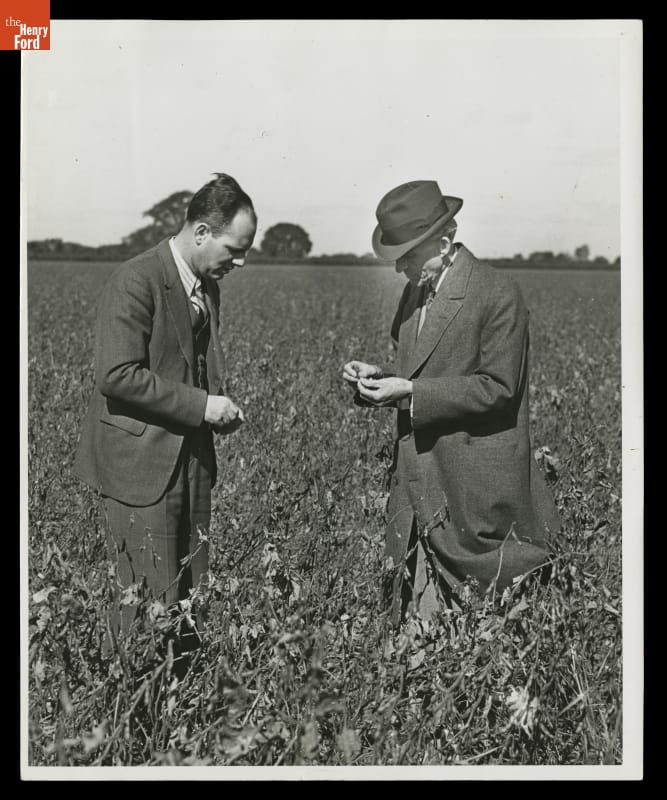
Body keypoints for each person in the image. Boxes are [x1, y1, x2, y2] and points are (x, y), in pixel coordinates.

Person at [343, 180, 560, 623]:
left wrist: (409, 391)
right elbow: (419, 371)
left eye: (407, 254)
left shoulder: (497, 294)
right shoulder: (415, 293)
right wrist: (377, 378)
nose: (398, 266)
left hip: (468, 490)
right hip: (416, 485)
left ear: (443, 242)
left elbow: (498, 388)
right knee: (414, 631)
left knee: (479, 630)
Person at [74, 172, 257, 648]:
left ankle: (179, 709)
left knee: (189, 598)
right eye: (234, 249)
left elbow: (189, 364)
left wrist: (217, 409)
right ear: (200, 233)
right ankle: (131, 714)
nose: (240, 261)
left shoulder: (204, 283)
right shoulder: (136, 279)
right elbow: (116, 374)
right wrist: (203, 406)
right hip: (140, 469)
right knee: (144, 607)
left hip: (190, 461)